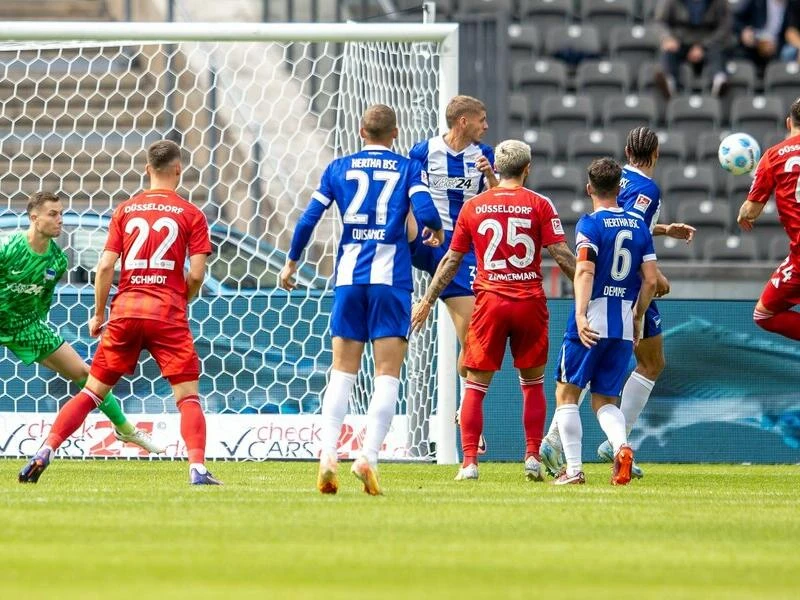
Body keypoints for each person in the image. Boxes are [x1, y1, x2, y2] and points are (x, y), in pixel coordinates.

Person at [19, 140, 219, 485]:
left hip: (126, 310)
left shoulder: (125, 210)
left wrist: (98, 314)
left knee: (91, 392)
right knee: (187, 398)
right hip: (167, 313)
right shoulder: (192, 214)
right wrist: (181, 299)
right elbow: (198, 274)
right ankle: (197, 468)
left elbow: (106, 264)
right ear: (178, 170)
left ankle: (46, 449)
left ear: (146, 170)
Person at [280, 104, 444, 496]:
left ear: (360, 130)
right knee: (387, 374)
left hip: (350, 280)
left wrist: (291, 262)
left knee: (342, 371)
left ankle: (327, 456)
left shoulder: (338, 168)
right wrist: (435, 230)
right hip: (391, 282)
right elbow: (424, 210)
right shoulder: (407, 168)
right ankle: (368, 456)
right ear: (395, 133)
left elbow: (307, 220)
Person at [410, 139, 576, 481]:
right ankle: (531, 456)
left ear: (496, 168)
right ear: (527, 169)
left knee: (474, 386)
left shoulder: (474, 206)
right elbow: (561, 255)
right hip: (529, 301)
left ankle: (469, 463)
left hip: (490, 303)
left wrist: (427, 300)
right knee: (532, 384)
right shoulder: (540, 204)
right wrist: (591, 289)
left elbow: (451, 260)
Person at [539, 127, 696, 478]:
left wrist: (665, 228)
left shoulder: (613, 183)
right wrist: (654, 282)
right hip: (630, 290)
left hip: (601, 289)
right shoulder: (649, 189)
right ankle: (601, 441)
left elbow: (613, 225)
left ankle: (571, 450)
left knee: (576, 379)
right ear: (655, 155)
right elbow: (633, 230)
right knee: (649, 364)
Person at [4, 192, 162, 470]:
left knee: (85, 374)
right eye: (53, 214)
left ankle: (125, 429)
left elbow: (42, 301)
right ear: (34, 218)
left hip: (25, 326)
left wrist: (33, 323)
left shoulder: (56, 261)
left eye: (61, 213)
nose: (60, 220)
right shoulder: (8, 248)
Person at [552, 158, 658, 486]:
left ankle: (573, 470)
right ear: (619, 189)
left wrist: (581, 315)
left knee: (567, 395)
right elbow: (651, 281)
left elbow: (584, 270)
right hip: (624, 323)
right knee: (605, 400)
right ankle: (622, 446)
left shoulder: (590, 224)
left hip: (593, 318)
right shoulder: (639, 225)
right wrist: (638, 316)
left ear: (589, 189)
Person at [407, 95, 497, 452]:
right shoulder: (422, 152)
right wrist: (425, 221)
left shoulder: (484, 155)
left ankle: (465, 409)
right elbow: (409, 191)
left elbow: (499, 201)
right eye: (482, 119)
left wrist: (490, 174)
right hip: (428, 242)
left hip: (464, 252)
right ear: (463, 121)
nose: (485, 126)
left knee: (473, 341)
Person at [739, 97, 800, 340]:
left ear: (788, 123)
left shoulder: (773, 156)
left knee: (764, 315)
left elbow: (751, 211)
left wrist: (743, 213)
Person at [654, 0, 732, 98]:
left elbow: (724, 27)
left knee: (718, 52)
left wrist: (703, 46)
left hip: (709, 42)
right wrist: (667, 38)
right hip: (680, 42)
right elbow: (660, 22)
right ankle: (669, 80)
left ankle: (718, 79)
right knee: (668, 52)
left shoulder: (719, 2)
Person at [733, 0, 793, 70]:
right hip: (752, 46)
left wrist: (776, 45)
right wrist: (743, 31)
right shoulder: (756, 2)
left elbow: (789, 32)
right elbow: (735, 19)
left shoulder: (792, 6)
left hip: (776, 50)